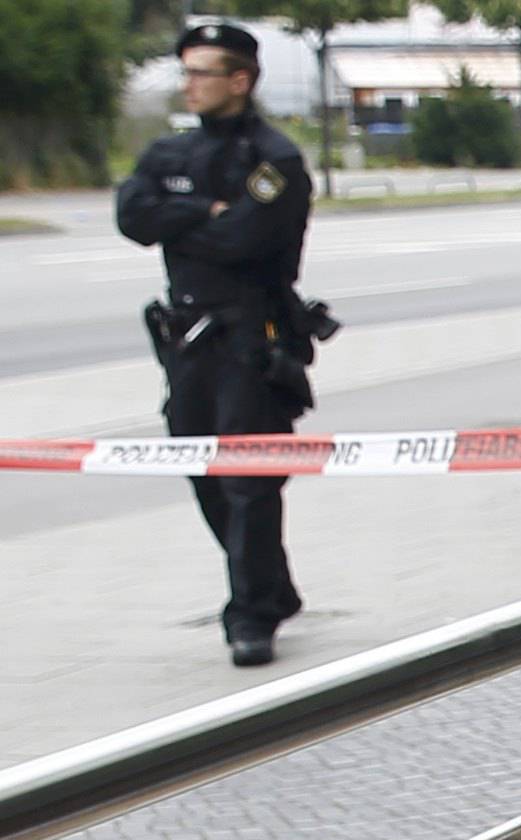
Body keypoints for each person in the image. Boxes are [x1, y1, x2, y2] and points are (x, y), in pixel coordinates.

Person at [116, 22, 314, 668]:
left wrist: (182, 224)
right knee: (201, 469)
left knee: (249, 481)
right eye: (187, 72)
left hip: (249, 342)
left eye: (203, 72)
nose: (190, 84)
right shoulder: (169, 153)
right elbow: (132, 216)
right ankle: (273, 588)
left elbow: (247, 243)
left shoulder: (273, 159)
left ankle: (251, 615)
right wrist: (206, 213)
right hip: (187, 345)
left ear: (240, 79)